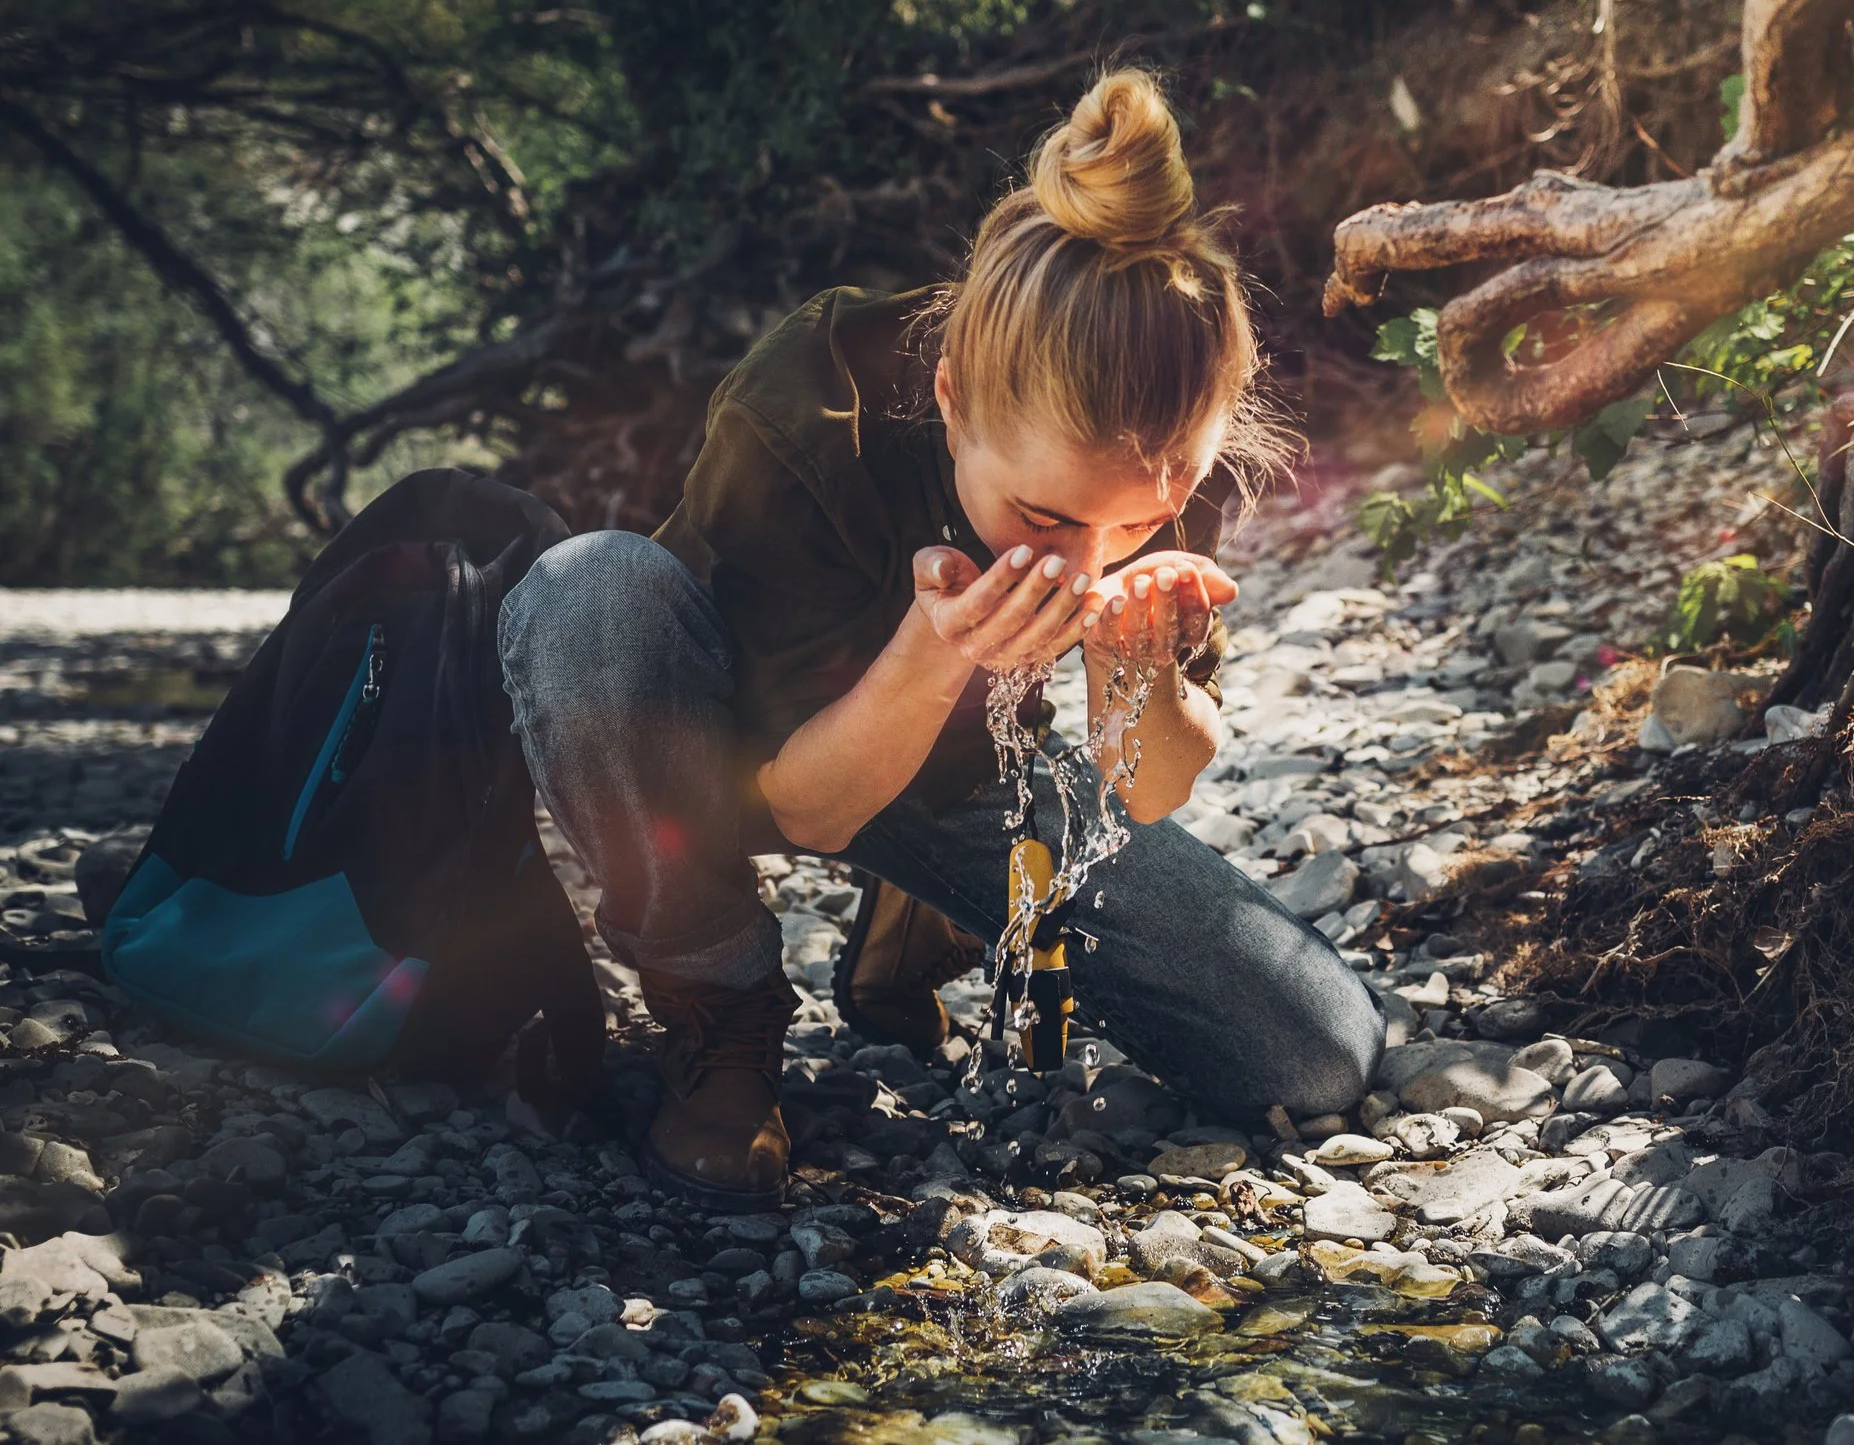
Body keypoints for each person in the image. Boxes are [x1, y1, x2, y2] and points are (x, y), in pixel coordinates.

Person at [497, 70, 1385, 1208]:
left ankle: (916, 911)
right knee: (589, 590)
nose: (1088, 561)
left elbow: (1147, 787)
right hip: (719, 739)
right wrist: (933, 652)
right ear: (954, 399)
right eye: (1049, 517)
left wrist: (1138, 676)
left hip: (958, 770)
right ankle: (717, 1006)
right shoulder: (814, 399)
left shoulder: (1154, 437)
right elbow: (802, 807)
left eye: (1137, 522)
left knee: (1315, 1050)